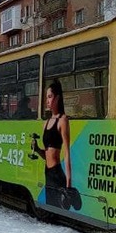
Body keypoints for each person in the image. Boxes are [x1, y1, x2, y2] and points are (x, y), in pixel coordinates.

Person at [30, 80, 78, 210]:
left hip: (57, 175)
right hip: (48, 174)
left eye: (50, 97)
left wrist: (68, 184)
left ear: (57, 98)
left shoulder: (62, 120)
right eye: (47, 97)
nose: (47, 100)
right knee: (50, 207)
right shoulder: (45, 123)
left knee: (60, 209)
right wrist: (37, 149)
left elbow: (67, 153)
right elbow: (47, 154)